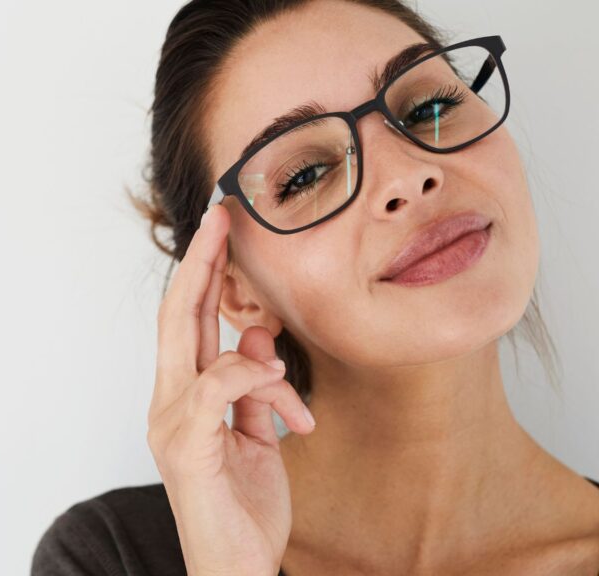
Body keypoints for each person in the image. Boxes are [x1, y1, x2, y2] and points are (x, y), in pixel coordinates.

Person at [32, 0, 599, 574]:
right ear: (236, 291)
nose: (409, 175)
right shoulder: (110, 557)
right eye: (305, 175)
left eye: (429, 106)